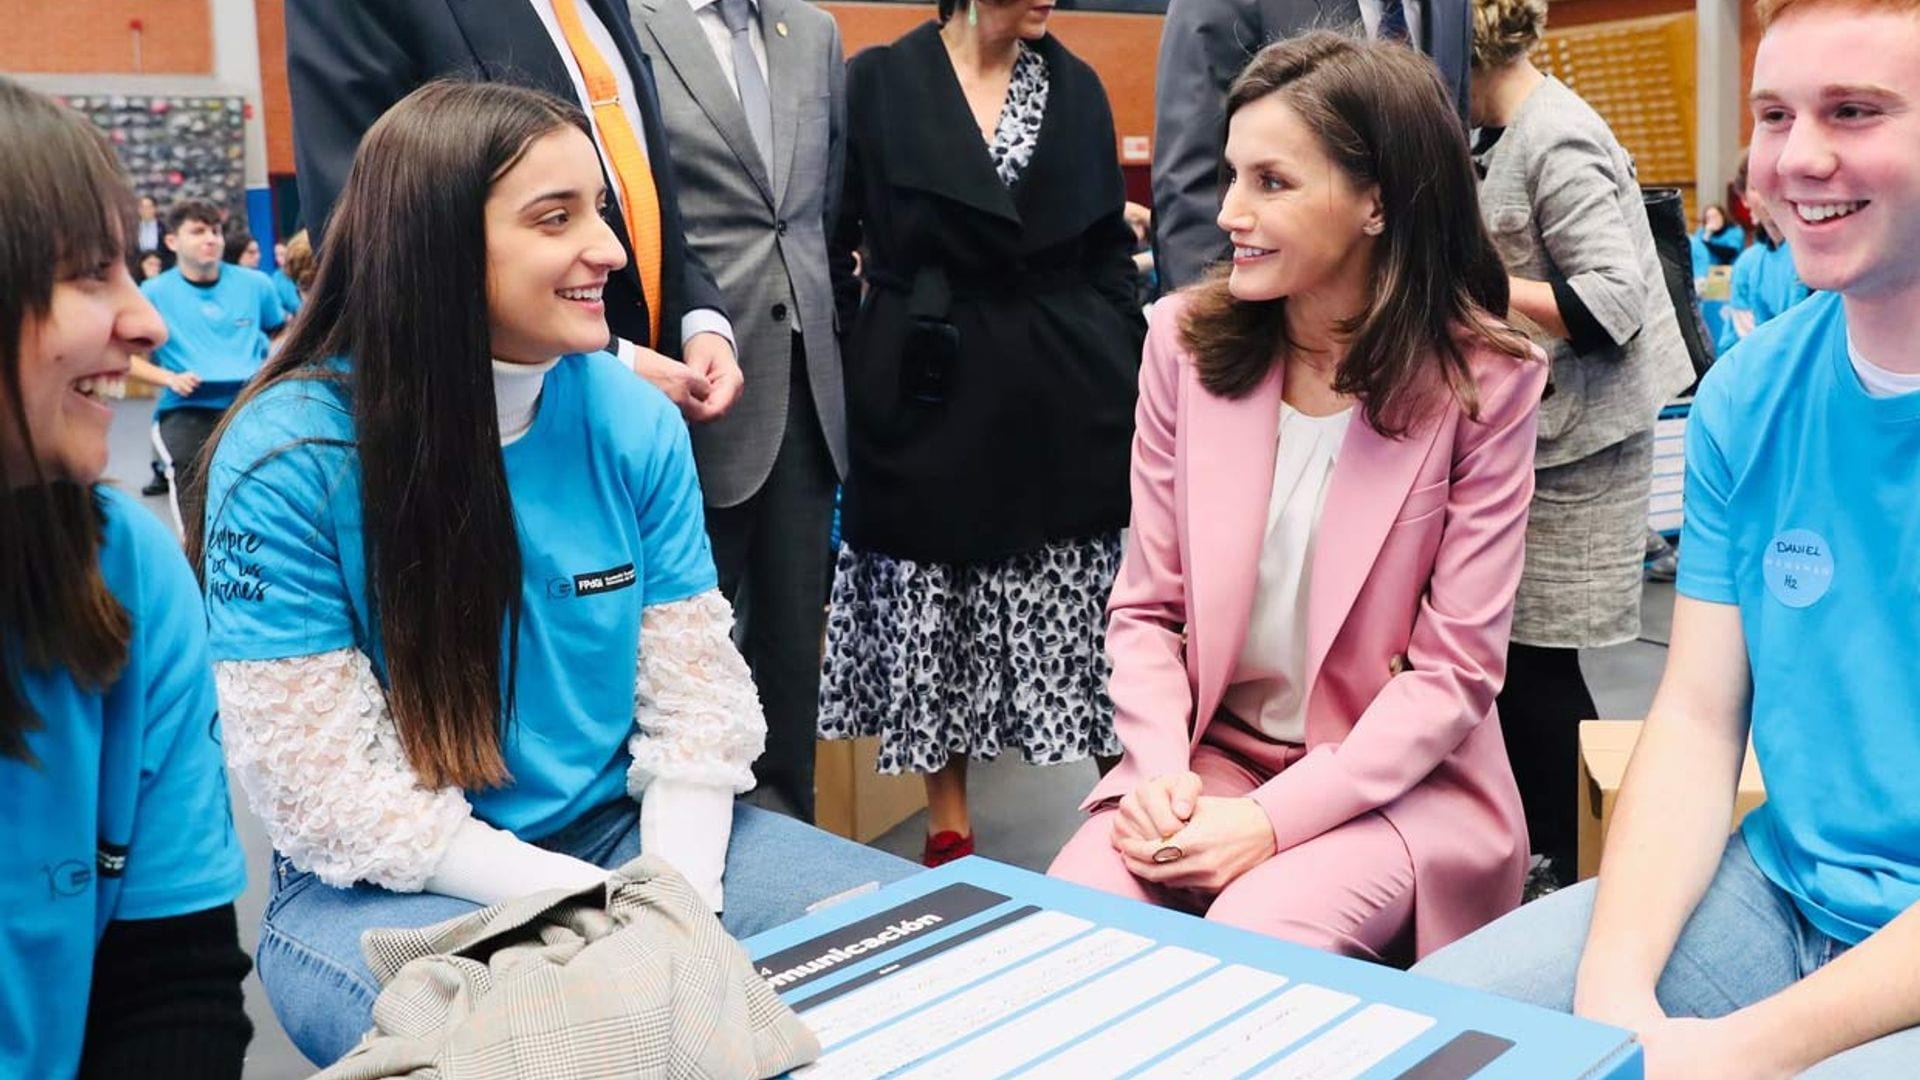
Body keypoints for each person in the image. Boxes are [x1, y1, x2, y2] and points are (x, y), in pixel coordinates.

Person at [194, 80, 914, 1068]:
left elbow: (692, 708)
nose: (611, 252)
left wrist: (674, 907)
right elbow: (341, 799)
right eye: (556, 218)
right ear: (438, 242)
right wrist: (615, 920)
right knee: (578, 1047)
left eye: (602, 210)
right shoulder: (288, 459)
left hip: (635, 839)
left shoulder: (633, 420)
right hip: (389, 887)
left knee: (905, 949)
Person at [1416, 0, 1920, 1073]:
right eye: (1777, 114)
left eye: (1857, 111)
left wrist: (1745, 1048)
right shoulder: (1750, 394)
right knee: (1434, 1028)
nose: (1803, 156)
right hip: (1785, 889)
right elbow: (1695, 720)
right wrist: (1614, 1000)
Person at [1048, 32, 1543, 962]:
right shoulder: (1182, 346)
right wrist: (1157, 774)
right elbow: (1146, 610)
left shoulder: (1487, 379)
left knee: (1257, 932)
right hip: (1209, 758)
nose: (1228, 210)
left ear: (1375, 203)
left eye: (1272, 183)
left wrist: (1272, 823)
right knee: (1075, 919)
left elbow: (1453, 676)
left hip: (1398, 784)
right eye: (1233, 174)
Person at [820, 0, 1146, 867]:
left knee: (1081, 604)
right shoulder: (879, 80)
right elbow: (837, 235)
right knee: (934, 600)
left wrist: (1117, 342)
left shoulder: (1075, 85)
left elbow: (1108, 241)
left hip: (1064, 386)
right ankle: (949, 829)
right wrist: (872, 356)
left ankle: (1135, 813)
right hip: (932, 384)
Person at [0, 75, 250, 1080]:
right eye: (85, 276)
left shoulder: (127, 568)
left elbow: (174, 984)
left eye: (132, 267)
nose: (146, 322)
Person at [1467, 0, 1695, 892]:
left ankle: (1575, 861)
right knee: (1514, 664)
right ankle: (1551, 846)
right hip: (1543, 435)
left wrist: (1480, 279)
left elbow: (1613, 303)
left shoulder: (1553, 137)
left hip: (1584, 445)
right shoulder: (1497, 129)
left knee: (1535, 661)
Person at [286, 0, 744, 426]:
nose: (611, 252)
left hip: (663, 423)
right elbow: (369, 233)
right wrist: (613, 362)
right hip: (493, 432)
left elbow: (638, 184)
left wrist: (699, 319)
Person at [630, 0, 849, 821]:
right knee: (684, 649)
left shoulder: (815, 31)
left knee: (793, 649)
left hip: (805, 385)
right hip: (692, 383)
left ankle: (792, 838)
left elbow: (822, 205)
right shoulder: (633, 22)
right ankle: (681, 850)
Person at [1151, 0, 1474, 292]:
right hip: (1267, 325)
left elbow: (1447, 166)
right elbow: (1191, 178)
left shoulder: (1453, 8)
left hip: (1413, 318)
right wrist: (1210, 328)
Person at [129, 202, 287, 533]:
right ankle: (198, 575)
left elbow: (281, 333)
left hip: (249, 406)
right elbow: (123, 356)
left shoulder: (256, 285)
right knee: (198, 514)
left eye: (215, 231)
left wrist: (268, 367)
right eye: (198, 231)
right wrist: (168, 377)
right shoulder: (153, 293)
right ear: (172, 242)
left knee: (264, 500)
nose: (211, 239)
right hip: (187, 409)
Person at [1719, 180, 1811, 353]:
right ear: (1744, 198)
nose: (1767, 197)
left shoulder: (1814, 252)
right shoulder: (1748, 262)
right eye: (1756, 188)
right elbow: (1739, 334)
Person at [269, 229, 309, 318]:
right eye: (276, 254)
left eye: (282, 254)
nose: (278, 258)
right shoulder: (276, 277)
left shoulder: (305, 272)